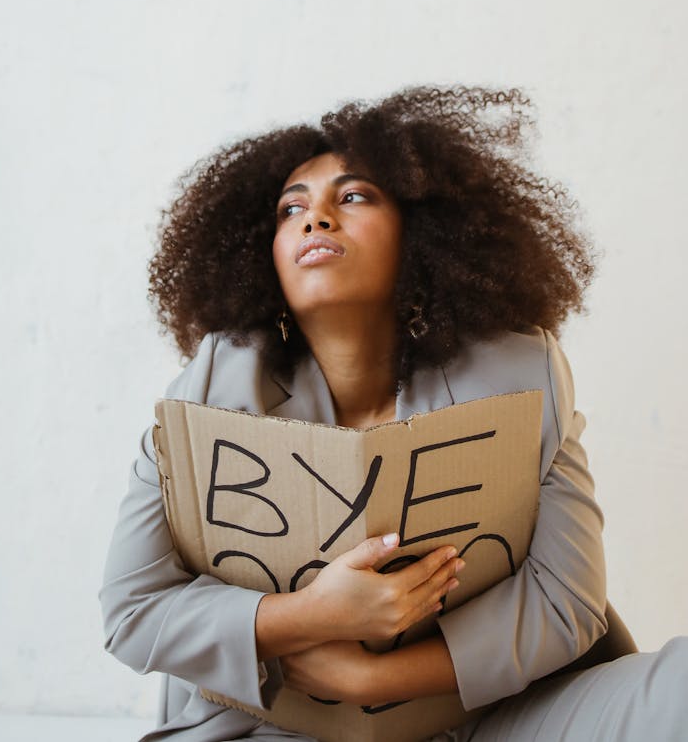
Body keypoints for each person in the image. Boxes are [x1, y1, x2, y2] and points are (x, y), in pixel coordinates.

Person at [100, 86, 687, 741]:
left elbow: (566, 599)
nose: (315, 217)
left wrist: (369, 678)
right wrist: (306, 616)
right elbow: (133, 609)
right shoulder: (207, 394)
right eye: (290, 207)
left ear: (422, 236)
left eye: (353, 196)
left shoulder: (522, 375)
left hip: (495, 721)